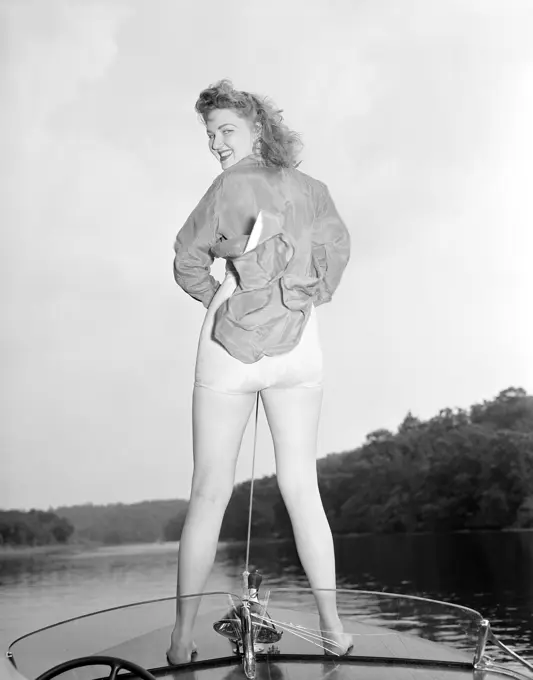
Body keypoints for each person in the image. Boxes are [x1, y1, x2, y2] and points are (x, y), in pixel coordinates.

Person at [167, 79, 352, 664]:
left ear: (256, 129)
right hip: (301, 344)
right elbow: (336, 253)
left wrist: (218, 295)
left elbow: (186, 257)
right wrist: (302, 295)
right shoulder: (315, 189)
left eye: (226, 130)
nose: (216, 144)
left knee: (207, 492)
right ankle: (334, 630)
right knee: (303, 488)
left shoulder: (227, 186)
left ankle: (179, 643)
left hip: (231, 347)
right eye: (210, 134)